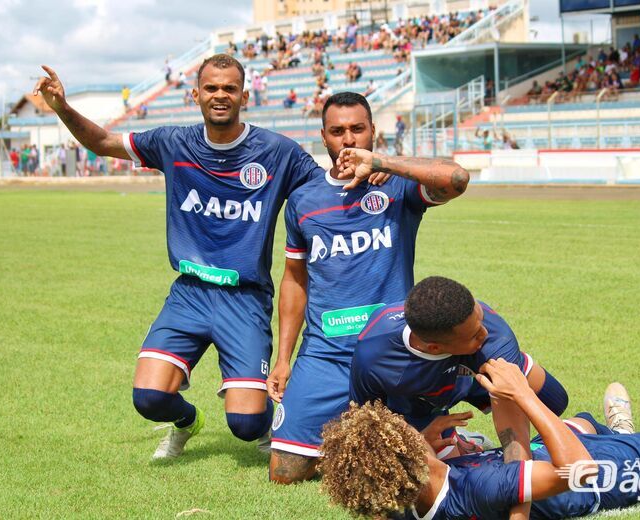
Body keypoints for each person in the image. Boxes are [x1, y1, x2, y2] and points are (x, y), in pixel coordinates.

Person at [33, 54, 327, 459]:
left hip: (244, 298)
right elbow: (102, 143)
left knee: (244, 425)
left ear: (244, 95)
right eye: (211, 88)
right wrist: (62, 109)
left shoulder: (278, 152)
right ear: (196, 94)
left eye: (228, 88)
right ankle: (187, 423)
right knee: (148, 398)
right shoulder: (173, 143)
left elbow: (327, 188)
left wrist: (375, 169)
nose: (220, 95)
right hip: (189, 293)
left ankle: (262, 425)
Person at [267, 92, 470, 483]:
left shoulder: (397, 186)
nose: (349, 139)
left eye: (358, 129)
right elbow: (295, 279)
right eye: (338, 131)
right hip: (326, 353)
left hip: (390, 353)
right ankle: (382, 442)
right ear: (324, 137)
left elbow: (457, 179)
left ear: (373, 132)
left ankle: (403, 437)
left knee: (424, 469)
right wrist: (284, 357)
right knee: (284, 472)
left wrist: (385, 163)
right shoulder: (304, 200)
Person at [321, 361, 640, 519]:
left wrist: (426, 442)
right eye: (403, 431)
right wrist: (523, 395)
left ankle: (610, 429)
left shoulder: (398, 503)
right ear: (404, 452)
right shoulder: (478, 488)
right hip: (600, 477)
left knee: (582, 422)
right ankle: (629, 439)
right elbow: (579, 472)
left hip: (537, 455)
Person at [349, 276, 568, 444]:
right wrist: (419, 439)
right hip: (422, 401)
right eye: (474, 335)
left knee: (556, 402)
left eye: (480, 319)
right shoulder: (375, 355)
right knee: (438, 465)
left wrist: (520, 480)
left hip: (480, 372)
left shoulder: (492, 333)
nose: (485, 333)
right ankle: (459, 440)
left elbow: (513, 424)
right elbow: (366, 423)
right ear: (434, 347)